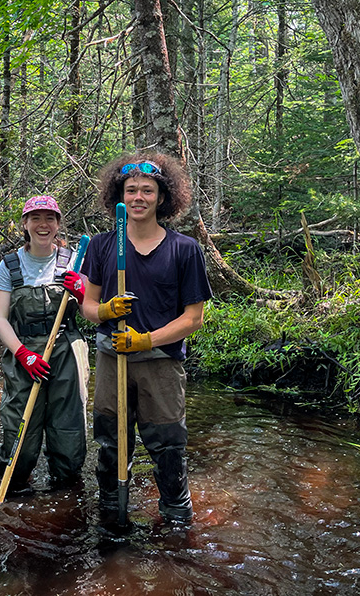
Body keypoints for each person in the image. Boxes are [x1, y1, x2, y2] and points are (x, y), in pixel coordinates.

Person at [80, 153, 213, 524]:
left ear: (162, 197)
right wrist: (104, 312)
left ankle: (175, 519)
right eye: (131, 190)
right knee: (110, 444)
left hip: (161, 365)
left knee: (169, 447)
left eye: (147, 191)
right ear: (118, 196)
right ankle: (112, 515)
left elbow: (193, 319)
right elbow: (87, 306)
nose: (138, 197)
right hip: (112, 361)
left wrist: (146, 340)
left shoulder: (184, 249)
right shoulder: (103, 246)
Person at [0, 195, 90, 492]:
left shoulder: (74, 260)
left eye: (49, 218)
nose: (43, 225)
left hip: (67, 348)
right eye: (36, 218)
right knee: (21, 432)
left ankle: (66, 491)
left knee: (69, 429)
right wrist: (22, 354)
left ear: (58, 224)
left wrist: (82, 292)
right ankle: (14, 482)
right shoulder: (9, 265)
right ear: (25, 224)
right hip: (24, 353)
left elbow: (89, 313)